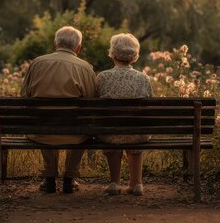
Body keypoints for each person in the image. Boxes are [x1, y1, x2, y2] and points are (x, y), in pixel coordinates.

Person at [20, 26, 97, 194]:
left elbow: (24, 96)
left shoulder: (37, 63)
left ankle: (49, 177)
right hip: (75, 133)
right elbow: (93, 103)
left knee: (43, 120)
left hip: (41, 131)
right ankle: (69, 178)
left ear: (55, 44)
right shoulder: (85, 68)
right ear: (78, 47)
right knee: (84, 128)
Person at [97, 33, 153, 196]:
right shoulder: (143, 79)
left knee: (114, 129)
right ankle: (136, 184)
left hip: (109, 134)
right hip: (137, 134)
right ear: (134, 56)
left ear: (112, 54)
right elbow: (150, 105)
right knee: (134, 130)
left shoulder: (103, 77)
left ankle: (114, 183)